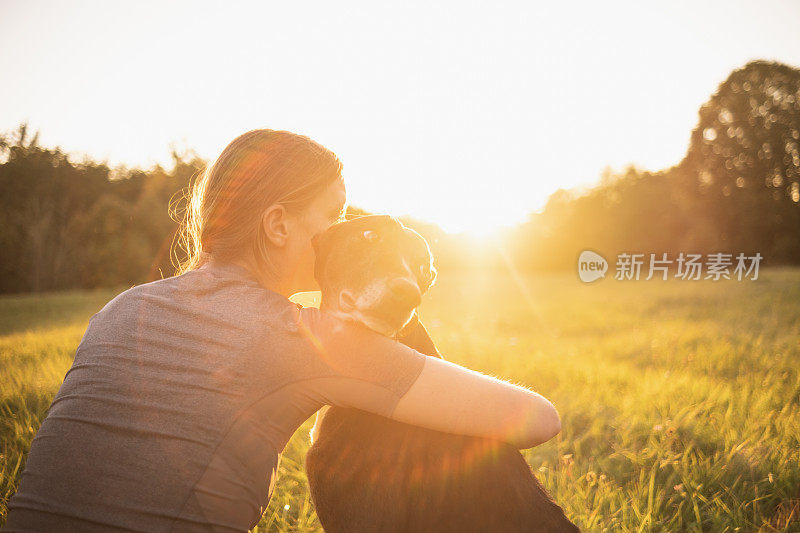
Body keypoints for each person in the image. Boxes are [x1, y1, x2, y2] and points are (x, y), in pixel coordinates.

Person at [5, 129, 562, 532]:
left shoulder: (121, 311)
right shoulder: (303, 337)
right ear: (276, 225)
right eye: (334, 216)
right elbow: (539, 418)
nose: (341, 235)